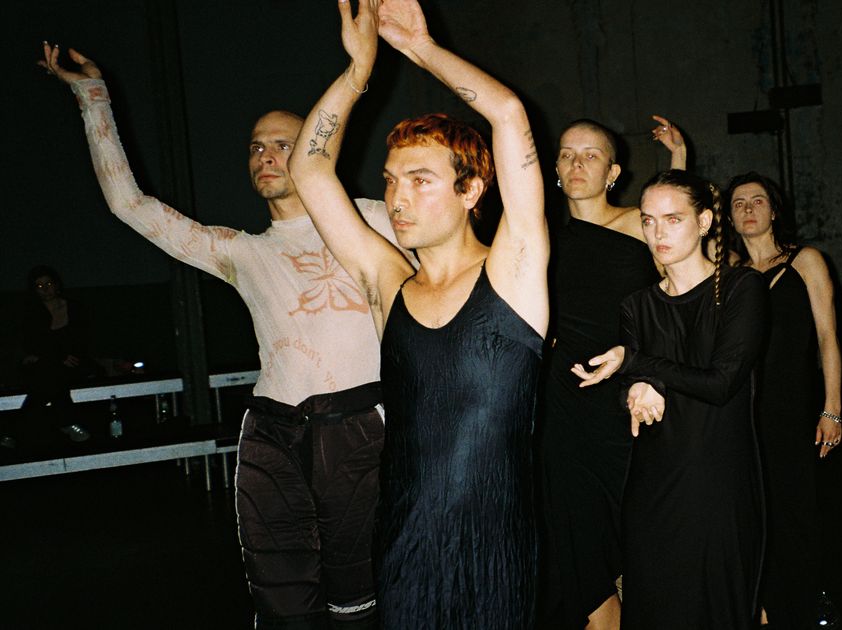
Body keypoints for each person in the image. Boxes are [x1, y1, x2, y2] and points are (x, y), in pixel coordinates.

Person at [40, 40, 407, 628]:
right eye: (257, 147)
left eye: (283, 145)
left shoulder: (379, 218)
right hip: (272, 431)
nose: (266, 156)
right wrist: (92, 96)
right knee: (282, 603)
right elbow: (131, 205)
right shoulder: (242, 252)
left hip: (361, 424)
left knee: (358, 601)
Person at [287, 0, 548, 626]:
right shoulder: (388, 283)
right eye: (390, 180)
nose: (397, 199)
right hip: (405, 547)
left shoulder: (513, 272)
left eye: (420, 179)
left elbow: (508, 113)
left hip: (498, 554)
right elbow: (309, 168)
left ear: (471, 190)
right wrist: (357, 73)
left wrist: (419, 48)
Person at [573, 170, 767, 629]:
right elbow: (627, 393)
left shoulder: (741, 288)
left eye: (672, 219)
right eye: (648, 220)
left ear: (704, 222)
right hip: (654, 487)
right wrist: (633, 390)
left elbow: (720, 383)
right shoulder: (637, 305)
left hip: (718, 484)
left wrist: (636, 363)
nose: (657, 233)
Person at [538, 117, 685, 629]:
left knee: (637, 519)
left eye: (591, 155)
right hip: (561, 400)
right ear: (555, 168)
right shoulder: (541, 238)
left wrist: (678, 159)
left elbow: (679, 296)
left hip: (629, 394)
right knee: (575, 527)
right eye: (566, 154)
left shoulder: (638, 225)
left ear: (613, 172)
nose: (576, 164)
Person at [726, 172, 842, 629]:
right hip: (742, 409)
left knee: (795, 509)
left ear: (774, 210)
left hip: (792, 408)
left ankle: (808, 600)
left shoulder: (805, 261)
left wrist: (832, 408)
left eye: (758, 201)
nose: (748, 209)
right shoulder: (731, 273)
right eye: (739, 203)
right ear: (729, 216)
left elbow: (829, 338)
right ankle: (763, 606)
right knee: (751, 512)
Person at [16, 265, 98, 444]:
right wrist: (56, 357)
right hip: (47, 364)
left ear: (57, 284)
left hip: (73, 362)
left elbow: (83, 338)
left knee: (48, 380)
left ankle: (15, 430)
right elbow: (31, 343)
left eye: (48, 284)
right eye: (39, 286)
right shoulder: (32, 312)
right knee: (51, 375)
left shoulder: (74, 307)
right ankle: (67, 422)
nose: (45, 289)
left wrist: (63, 356)